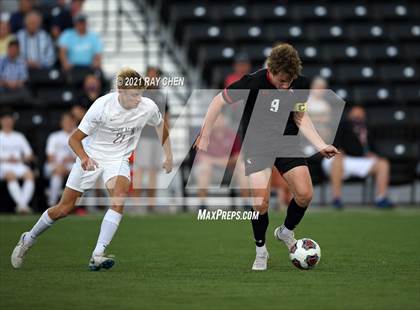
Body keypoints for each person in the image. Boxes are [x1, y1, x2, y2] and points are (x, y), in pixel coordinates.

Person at [11, 67, 173, 270]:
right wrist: (85, 158)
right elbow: (75, 139)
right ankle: (29, 237)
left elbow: (160, 125)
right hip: (92, 156)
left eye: (140, 94)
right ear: (120, 91)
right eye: (134, 95)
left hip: (118, 158)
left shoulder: (147, 106)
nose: (138, 99)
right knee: (64, 209)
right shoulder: (102, 105)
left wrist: (169, 155)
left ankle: (98, 253)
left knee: (119, 198)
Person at [195, 43, 339, 271]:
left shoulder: (300, 83)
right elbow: (217, 101)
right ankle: (261, 250)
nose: (286, 86)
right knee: (260, 201)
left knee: (305, 194)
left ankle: (285, 232)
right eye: (282, 80)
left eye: (289, 81)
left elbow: (300, 116)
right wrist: (204, 135)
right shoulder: (253, 82)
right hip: (257, 144)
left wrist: (321, 144)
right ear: (271, 71)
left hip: (286, 142)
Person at [322, 105, 394, 209]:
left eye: (360, 114)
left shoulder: (367, 129)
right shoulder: (342, 125)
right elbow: (334, 143)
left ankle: (381, 198)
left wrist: (372, 153)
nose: (358, 116)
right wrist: (339, 150)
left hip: (360, 160)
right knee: (337, 160)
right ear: (349, 115)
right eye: (355, 114)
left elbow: (373, 147)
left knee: (383, 163)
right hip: (342, 158)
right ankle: (336, 198)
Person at [132, 66, 169, 212]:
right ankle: (136, 204)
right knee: (141, 169)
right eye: (150, 75)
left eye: (155, 76)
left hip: (156, 138)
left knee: (153, 170)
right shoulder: (142, 94)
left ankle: (151, 204)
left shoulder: (162, 95)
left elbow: (167, 117)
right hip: (144, 137)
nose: (152, 78)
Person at [195, 114, 249, 210]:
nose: (219, 122)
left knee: (242, 167)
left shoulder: (232, 135)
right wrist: (223, 161)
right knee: (204, 168)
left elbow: (238, 157)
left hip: (229, 170)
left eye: (221, 119)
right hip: (212, 171)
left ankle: (246, 203)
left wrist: (214, 160)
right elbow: (201, 157)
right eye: (216, 120)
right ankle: (202, 205)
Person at [0, 111, 35, 214]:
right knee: (10, 175)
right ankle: (23, 206)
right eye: (5, 119)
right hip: (2, 166)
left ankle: (21, 206)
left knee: (30, 175)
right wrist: (6, 159)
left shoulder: (19, 136)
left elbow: (29, 155)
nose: (7, 122)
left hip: (18, 164)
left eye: (9, 120)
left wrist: (20, 160)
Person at [44, 112, 77, 206]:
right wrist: (60, 164)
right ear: (61, 123)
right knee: (57, 171)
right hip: (55, 165)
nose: (68, 124)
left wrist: (70, 159)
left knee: (79, 172)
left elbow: (83, 155)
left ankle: (68, 205)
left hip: (74, 164)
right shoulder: (54, 136)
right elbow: (50, 157)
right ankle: (53, 204)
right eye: (65, 121)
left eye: (70, 121)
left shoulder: (78, 135)